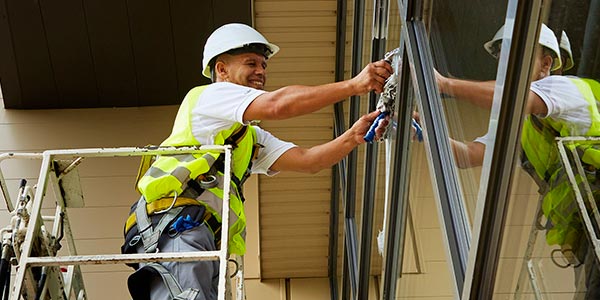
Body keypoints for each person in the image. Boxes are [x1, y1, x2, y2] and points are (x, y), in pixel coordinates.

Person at [120, 23, 392, 300]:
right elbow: (278, 105)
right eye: (251, 63)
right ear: (222, 70)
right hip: (176, 225)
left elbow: (309, 161)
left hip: (199, 233)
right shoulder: (208, 97)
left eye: (263, 65)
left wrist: (353, 136)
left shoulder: (246, 136)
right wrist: (354, 85)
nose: (261, 71)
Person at [437, 22, 600, 298]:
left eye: (517, 57)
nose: (506, 70)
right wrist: (422, 130)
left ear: (546, 64)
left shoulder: (564, 89)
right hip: (586, 228)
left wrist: (445, 84)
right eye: (503, 61)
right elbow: (468, 156)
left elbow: (513, 99)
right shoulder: (519, 125)